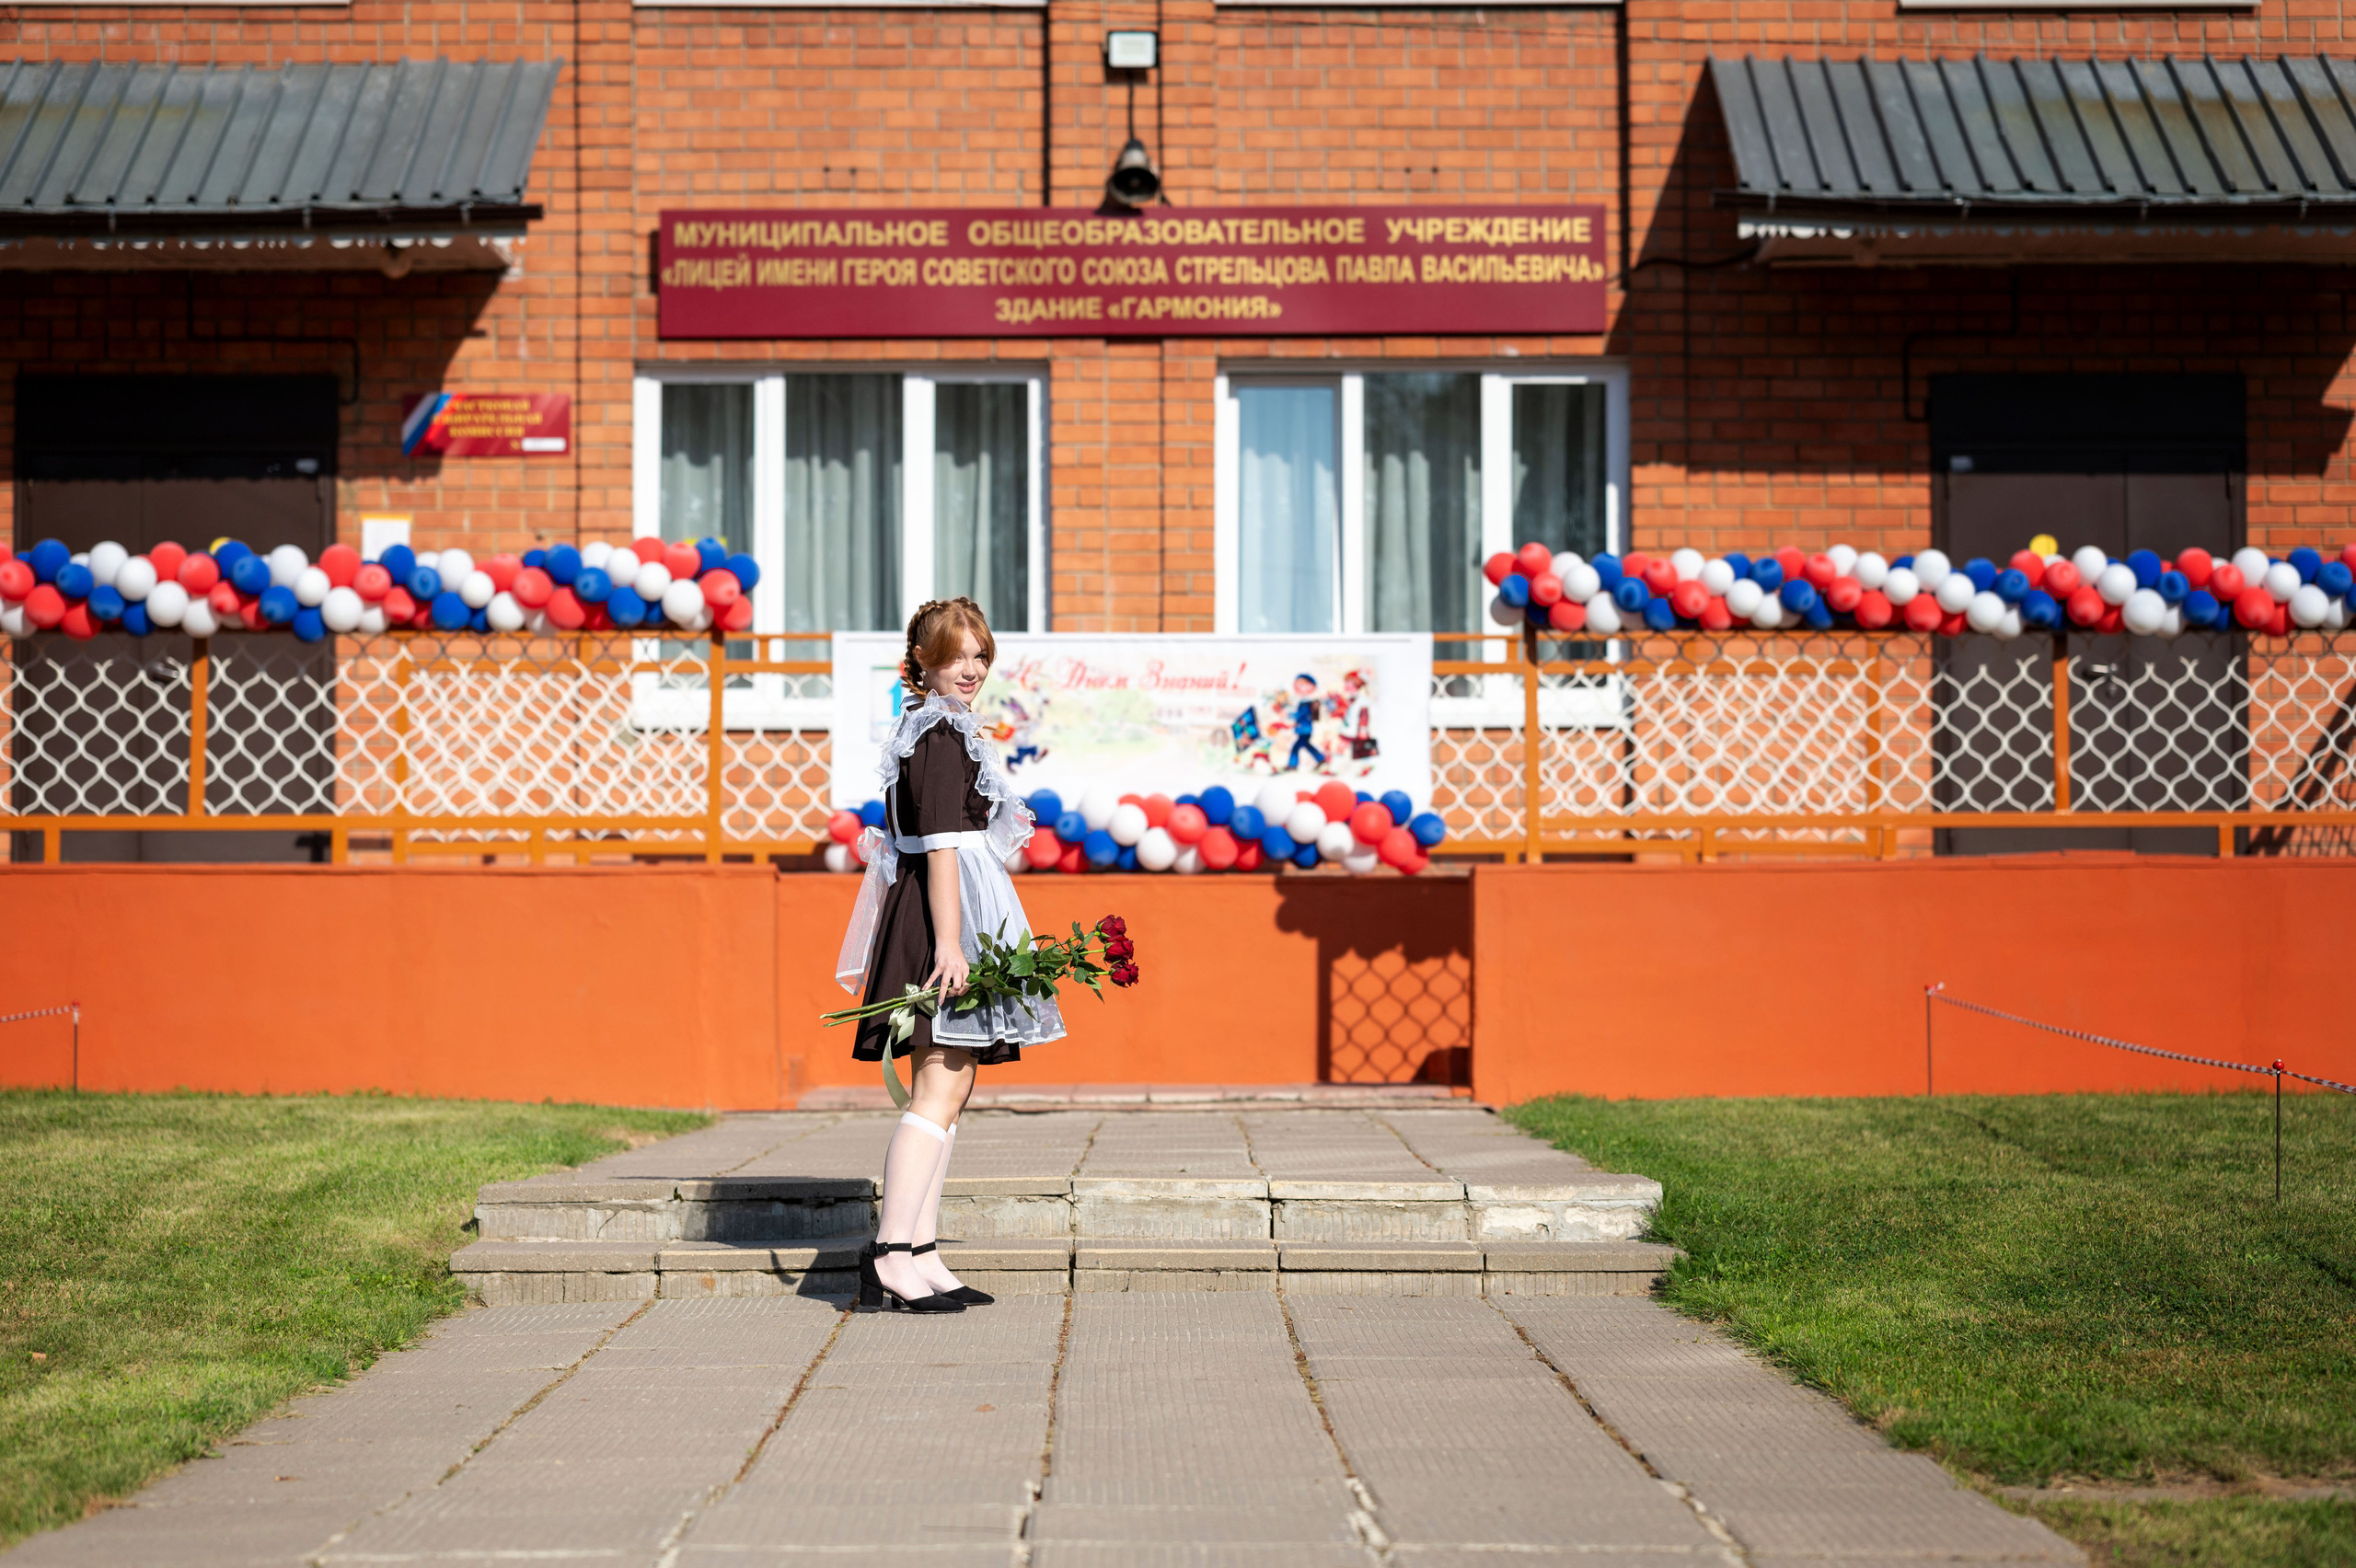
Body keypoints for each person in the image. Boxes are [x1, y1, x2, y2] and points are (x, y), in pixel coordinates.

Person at [833, 597, 1065, 1313]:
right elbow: (938, 848)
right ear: (923, 664)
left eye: (980, 656)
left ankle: (922, 1252)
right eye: (956, 656)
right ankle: (890, 1253)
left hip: (953, 914)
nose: (971, 669)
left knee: (952, 1088)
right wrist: (952, 943)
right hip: (940, 925)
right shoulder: (936, 735)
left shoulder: (947, 730)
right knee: (937, 1086)